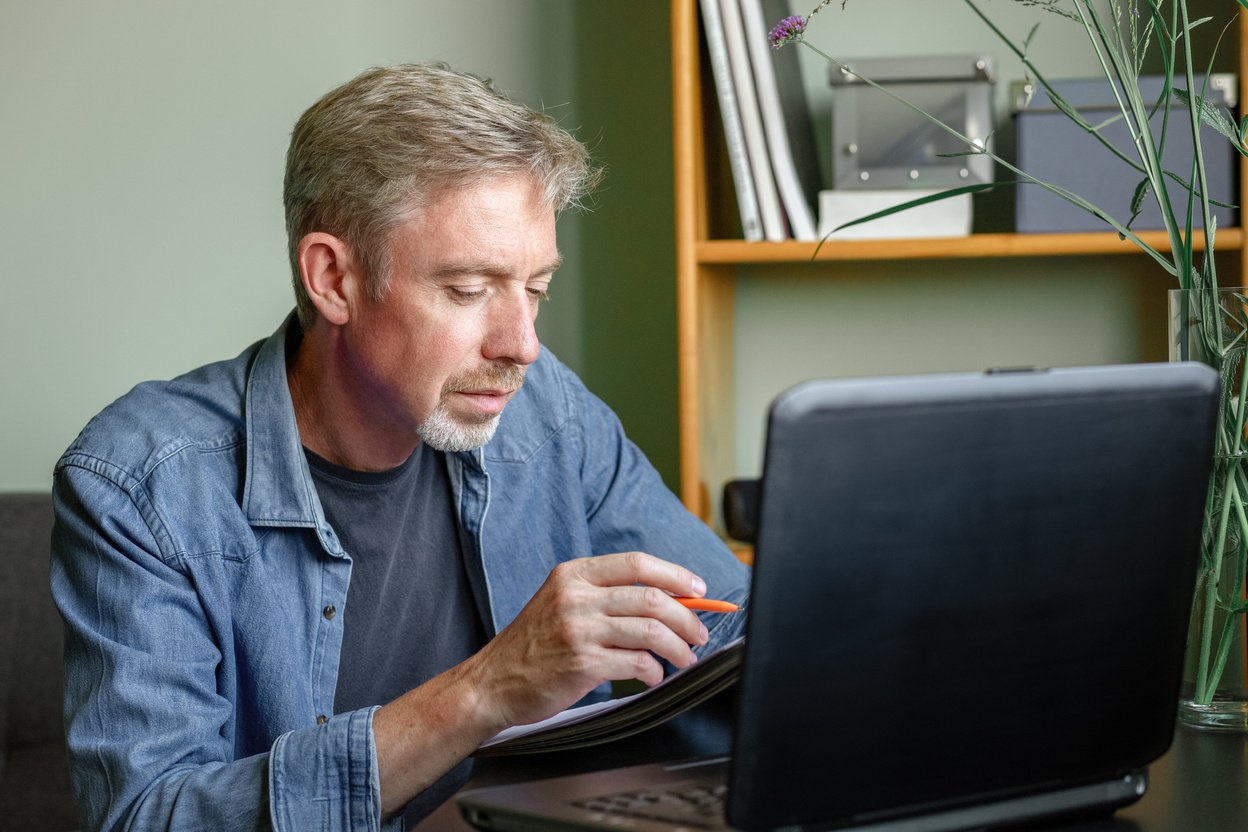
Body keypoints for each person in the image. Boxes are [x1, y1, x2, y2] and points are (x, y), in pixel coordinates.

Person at [50, 63, 750, 831]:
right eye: (468, 290)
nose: (522, 344)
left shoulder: (548, 412)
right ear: (333, 279)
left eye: (536, 287)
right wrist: (485, 691)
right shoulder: (142, 485)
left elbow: (730, 643)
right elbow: (147, 817)